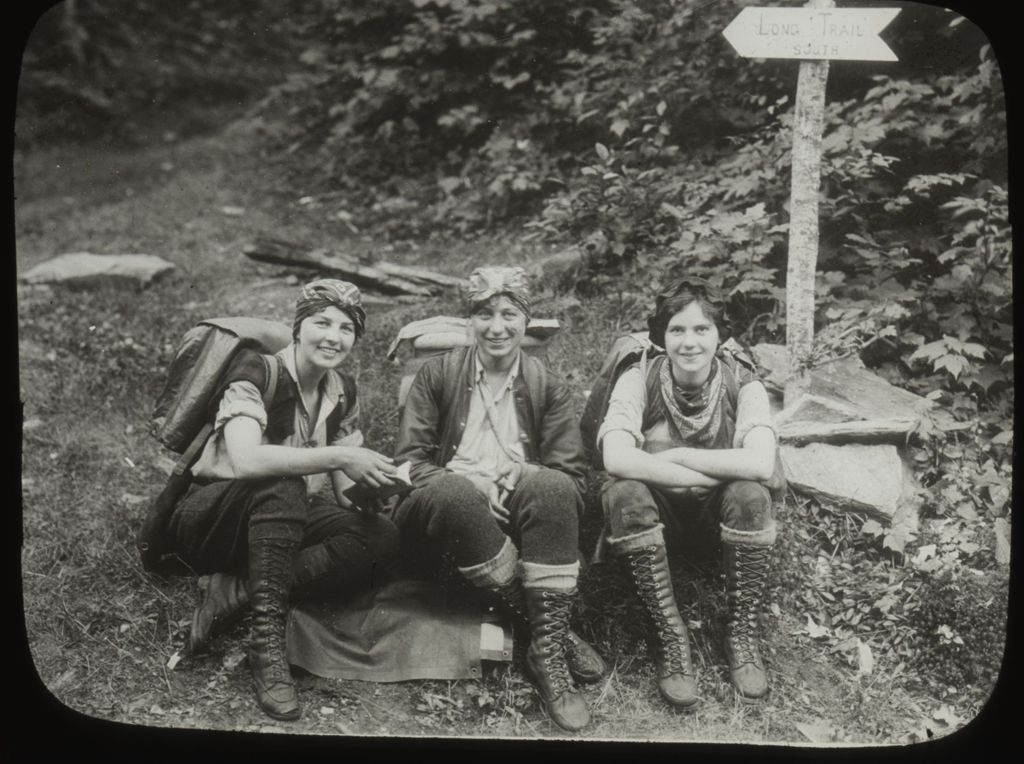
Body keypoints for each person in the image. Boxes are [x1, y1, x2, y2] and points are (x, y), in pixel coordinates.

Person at [164, 279, 402, 721]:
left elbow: (343, 493)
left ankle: (236, 594)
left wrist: (373, 489)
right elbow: (248, 459)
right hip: (209, 519)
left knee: (381, 536)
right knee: (284, 481)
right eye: (321, 322)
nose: (334, 336)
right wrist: (340, 455)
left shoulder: (341, 389)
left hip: (280, 523)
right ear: (298, 327)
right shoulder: (256, 371)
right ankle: (266, 644)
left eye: (347, 328)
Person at [391, 266, 606, 732]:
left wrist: (525, 473)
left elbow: (572, 479)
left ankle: (544, 657)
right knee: (454, 491)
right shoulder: (437, 375)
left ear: (526, 322)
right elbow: (408, 463)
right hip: (442, 517)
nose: (497, 327)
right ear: (468, 321)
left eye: (509, 314)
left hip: (512, 525)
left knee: (549, 485)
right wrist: (475, 487)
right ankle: (550, 631)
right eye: (484, 314)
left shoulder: (547, 385)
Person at [597, 277, 780, 707]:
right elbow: (616, 459)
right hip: (652, 517)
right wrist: (697, 470)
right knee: (624, 492)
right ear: (662, 335)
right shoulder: (639, 374)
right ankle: (669, 635)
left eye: (702, 330)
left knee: (751, 494)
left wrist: (678, 455)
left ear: (721, 335)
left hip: (719, 521)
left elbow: (760, 464)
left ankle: (742, 632)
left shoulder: (744, 382)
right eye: (677, 330)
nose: (689, 342)